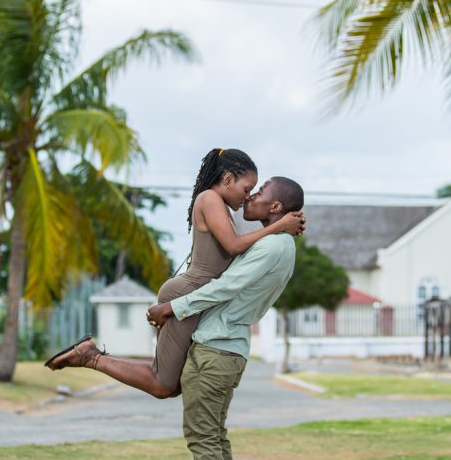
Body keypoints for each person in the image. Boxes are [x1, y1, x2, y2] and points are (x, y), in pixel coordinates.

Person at [43, 149, 304, 398]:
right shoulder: (210, 199)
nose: (248, 196)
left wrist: (280, 226)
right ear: (227, 179)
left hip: (195, 296)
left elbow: (243, 251)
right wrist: (279, 225)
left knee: (174, 381)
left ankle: (91, 356)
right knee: (163, 384)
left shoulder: (222, 207)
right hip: (186, 293)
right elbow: (234, 246)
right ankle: (90, 357)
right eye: (247, 189)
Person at [146, 175, 304, 460]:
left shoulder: (274, 246)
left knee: (203, 439)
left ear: (276, 208)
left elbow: (225, 286)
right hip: (224, 348)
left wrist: (172, 307)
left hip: (216, 350)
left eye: (259, 192)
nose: (251, 196)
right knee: (214, 438)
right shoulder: (275, 242)